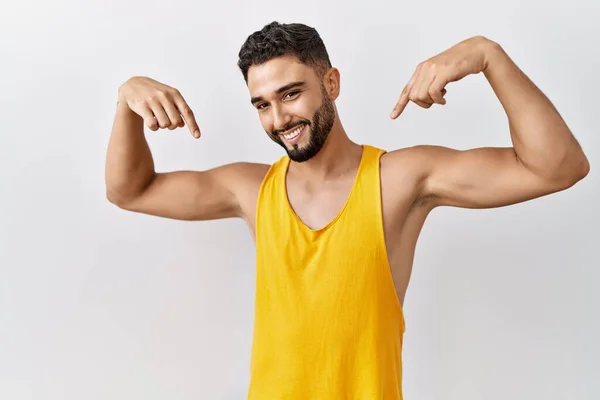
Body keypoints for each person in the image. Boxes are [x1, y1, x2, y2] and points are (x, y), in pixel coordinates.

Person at [105, 22, 590, 400]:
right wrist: (128, 99)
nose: (279, 120)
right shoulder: (250, 189)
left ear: (331, 82)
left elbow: (557, 168)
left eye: (291, 93)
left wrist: (489, 56)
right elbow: (130, 190)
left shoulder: (400, 180)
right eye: (262, 104)